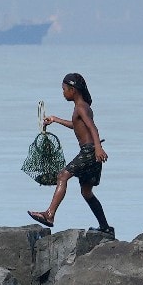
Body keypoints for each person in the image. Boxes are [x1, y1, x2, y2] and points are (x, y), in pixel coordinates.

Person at [28, 73, 114, 237]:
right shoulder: (82, 107)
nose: (63, 93)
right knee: (86, 192)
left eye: (64, 89)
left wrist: (97, 148)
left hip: (89, 151)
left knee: (62, 176)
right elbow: (77, 126)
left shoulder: (80, 107)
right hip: (92, 151)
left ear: (72, 90)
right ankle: (105, 227)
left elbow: (93, 128)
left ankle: (49, 215)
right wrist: (55, 119)